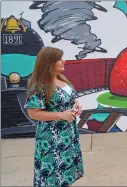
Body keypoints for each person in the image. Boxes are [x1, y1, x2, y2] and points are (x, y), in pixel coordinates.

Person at [24, 47, 84, 187]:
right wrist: (61, 115)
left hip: (68, 135)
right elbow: (33, 113)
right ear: (49, 63)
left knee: (64, 171)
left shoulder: (61, 79)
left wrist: (77, 103)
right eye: (59, 59)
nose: (64, 61)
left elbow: (72, 97)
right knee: (51, 174)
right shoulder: (39, 85)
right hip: (51, 139)